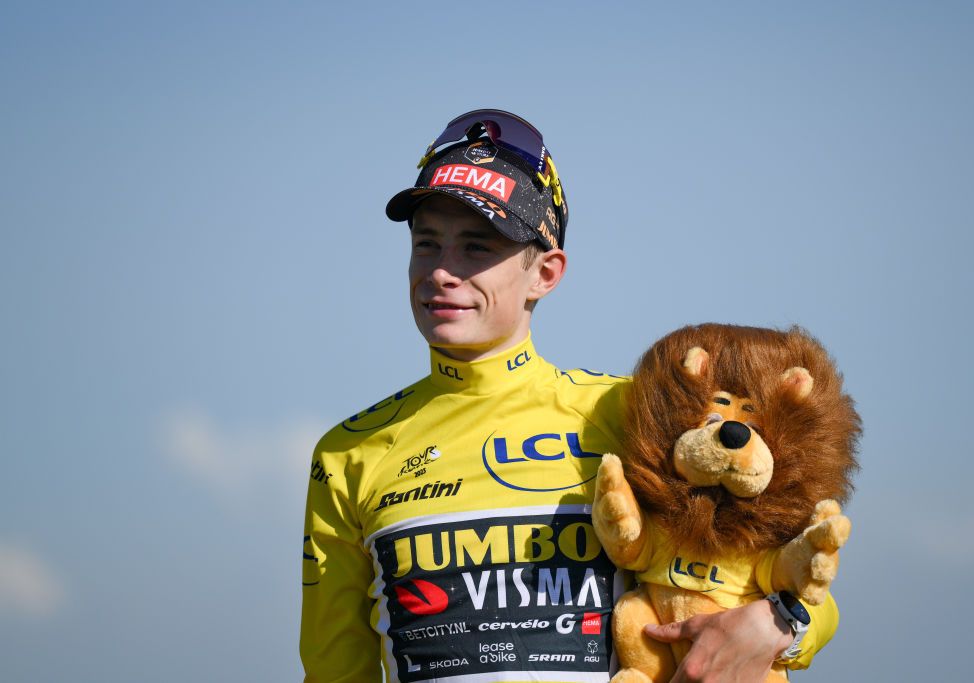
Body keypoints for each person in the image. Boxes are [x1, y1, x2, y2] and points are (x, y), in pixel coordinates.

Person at [300, 110, 839, 682]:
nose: (441, 272)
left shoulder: (634, 413)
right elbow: (334, 669)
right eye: (427, 244)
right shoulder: (346, 453)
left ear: (546, 273)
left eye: (475, 249)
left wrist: (781, 624)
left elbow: (794, 582)